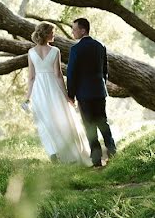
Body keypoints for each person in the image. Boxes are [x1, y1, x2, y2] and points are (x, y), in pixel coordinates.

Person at [23, 22, 90, 164]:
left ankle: (53, 154)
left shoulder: (31, 52)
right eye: (53, 32)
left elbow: (31, 77)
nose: (55, 35)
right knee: (61, 120)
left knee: (45, 123)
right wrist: (67, 97)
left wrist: (28, 98)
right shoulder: (55, 51)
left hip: (38, 91)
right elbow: (58, 75)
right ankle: (67, 153)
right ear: (46, 34)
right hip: (53, 88)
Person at [66, 18, 116, 167]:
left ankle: (96, 160)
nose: (72, 32)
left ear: (83, 30)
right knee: (103, 122)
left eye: (74, 29)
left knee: (90, 126)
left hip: (84, 94)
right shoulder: (100, 46)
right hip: (100, 92)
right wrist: (101, 85)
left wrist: (71, 94)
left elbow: (71, 73)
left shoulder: (76, 49)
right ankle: (112, 151)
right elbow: (105, 71)